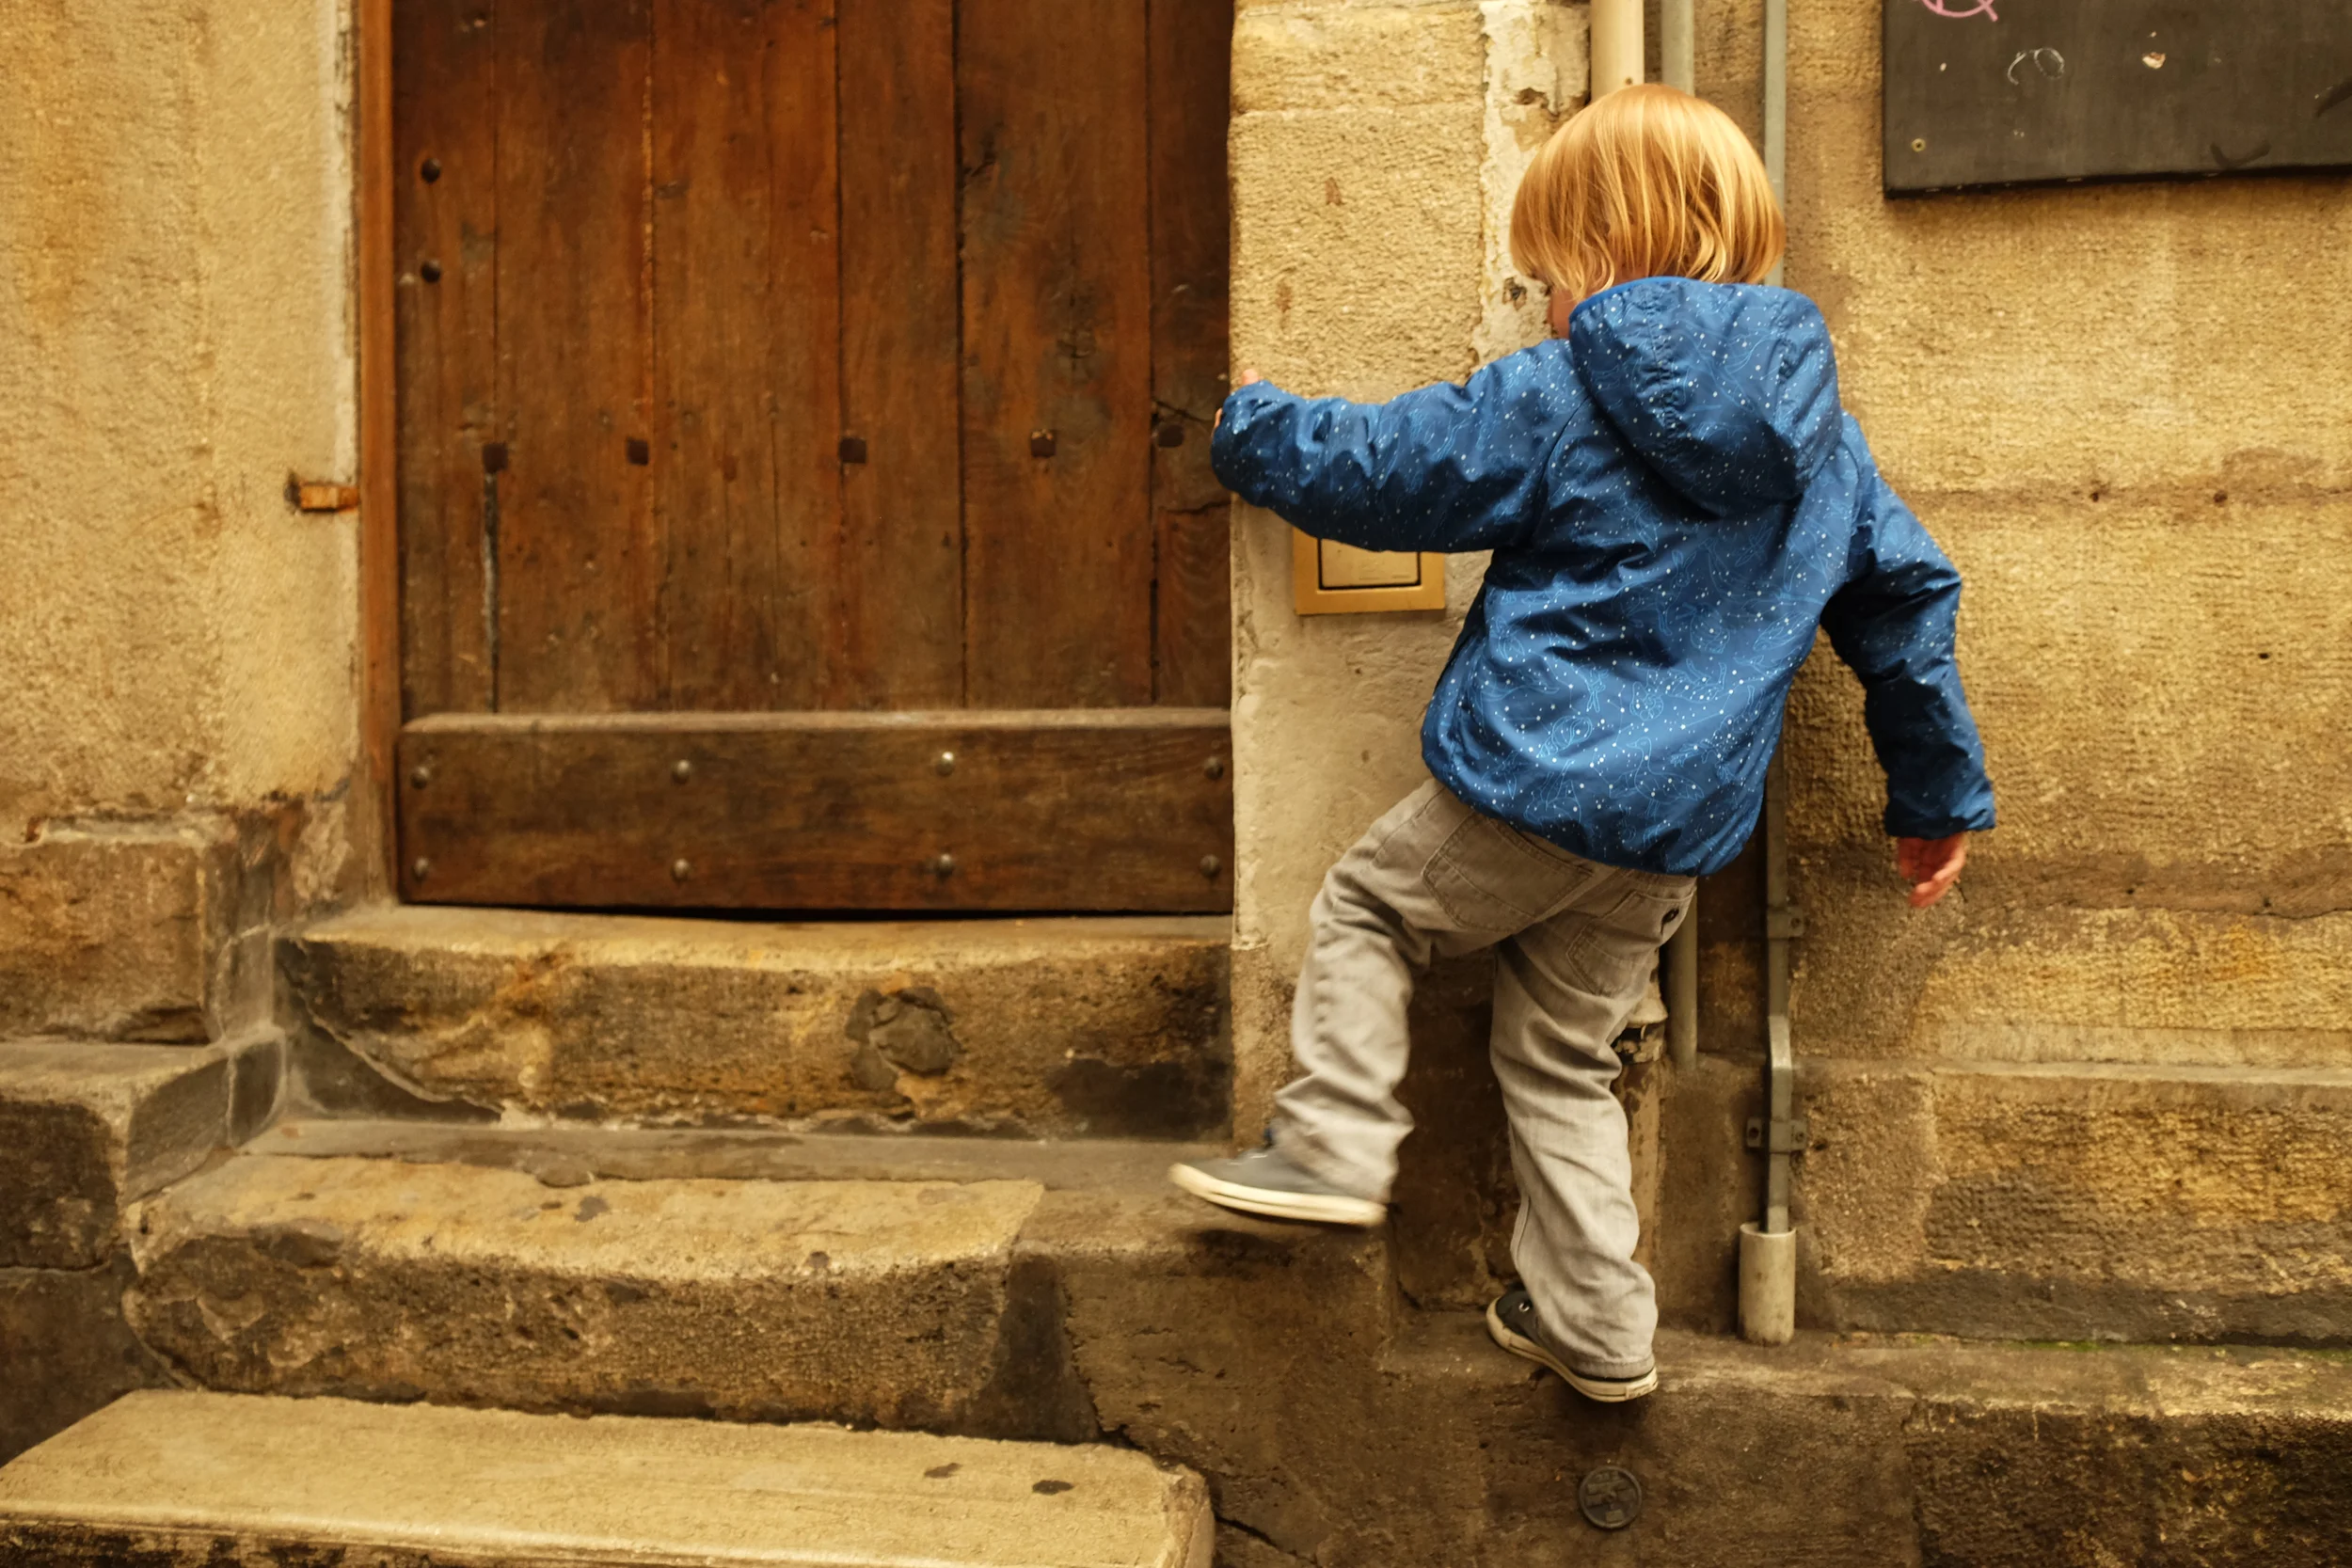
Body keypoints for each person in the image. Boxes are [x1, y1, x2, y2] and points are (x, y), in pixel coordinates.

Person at [1169, 84, 1995, 1403]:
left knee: (1371, 909)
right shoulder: (1825, 443)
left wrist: (1253, 430)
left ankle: (1327, 1146)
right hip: (1670, 837)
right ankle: (1601, 1324)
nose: (1544, 300)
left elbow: (1391, 470)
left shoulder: (1562, 392)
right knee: (1561, 1055)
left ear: (1598, 255)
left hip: (1531, 785)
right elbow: (1907, 606)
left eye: (1547, 273)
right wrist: (1934, 794)